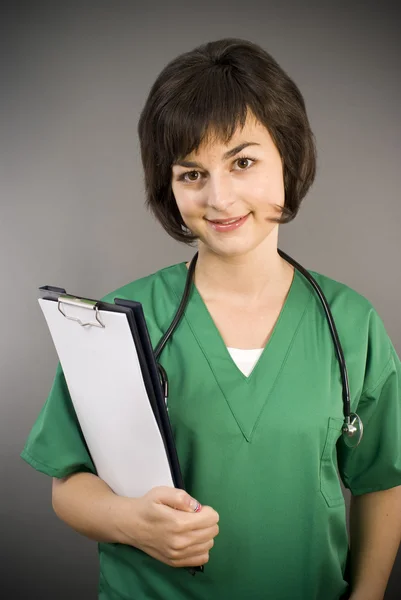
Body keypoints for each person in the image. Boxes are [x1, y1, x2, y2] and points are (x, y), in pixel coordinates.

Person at [21, 38, 401, 600]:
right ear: (168, 187)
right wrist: (132, 524)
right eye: (191, 174)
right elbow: (67, 484)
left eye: (242, 162)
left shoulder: (350, 324)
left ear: (288, 161)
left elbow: (380, 483)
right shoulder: (119, 322)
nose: (219, 198)